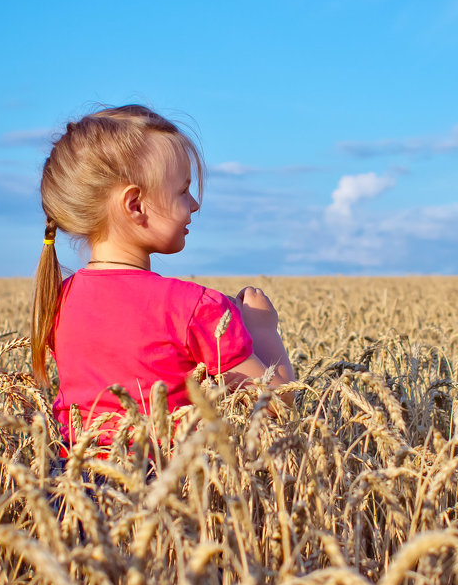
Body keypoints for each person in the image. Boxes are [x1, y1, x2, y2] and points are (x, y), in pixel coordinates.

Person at [31, 104, 294, 451]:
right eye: (183, 190)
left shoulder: (59, 299)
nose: (195, 204)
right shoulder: (194, 308)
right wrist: (262, 328)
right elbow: (275, 405)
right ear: (135, 204)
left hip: (71, 488)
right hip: (164, 491)